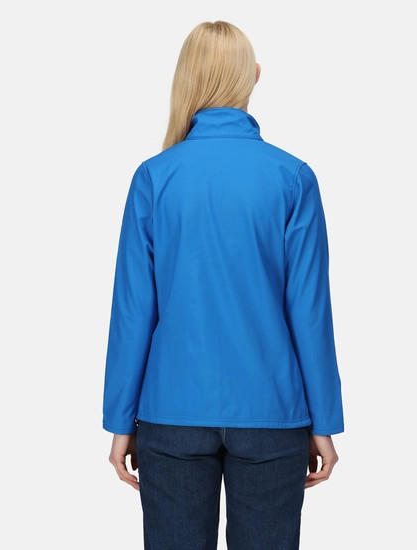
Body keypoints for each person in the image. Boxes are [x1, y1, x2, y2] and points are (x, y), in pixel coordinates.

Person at [102, 20, 344, 550]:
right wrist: (324, 420)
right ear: (254, 75)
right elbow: (310, 310)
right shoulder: (292, 177)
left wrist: (120, 420)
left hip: (171, 412)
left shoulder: (154, 177)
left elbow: (133, 310)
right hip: (272, 412)